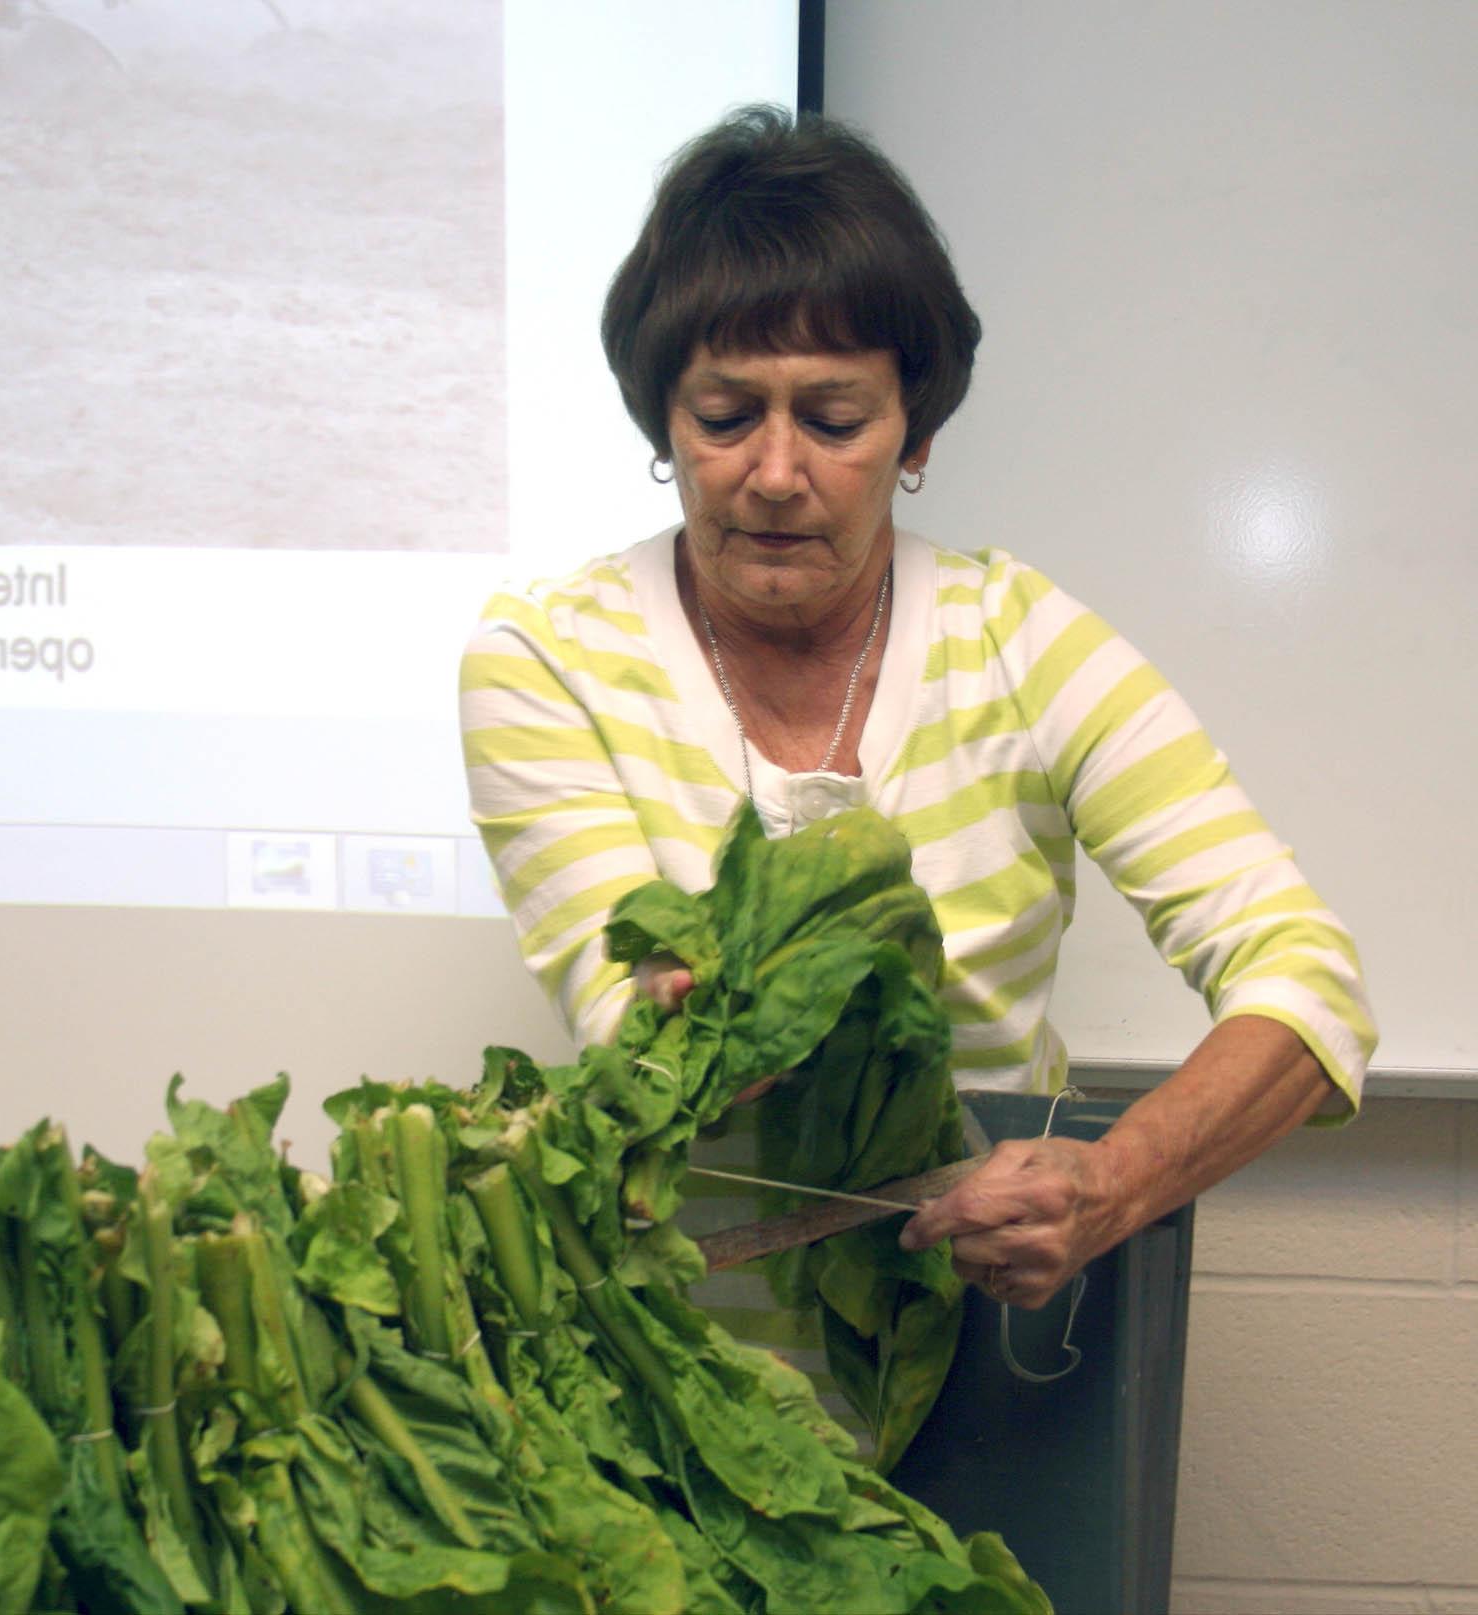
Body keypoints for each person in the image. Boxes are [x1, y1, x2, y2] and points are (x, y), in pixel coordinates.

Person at [458, 107, 1375, 1316]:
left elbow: (1308, 979)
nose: (776, 473)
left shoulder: (1021, 640)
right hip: (676, 1347)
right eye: (724, 416)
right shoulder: (544, 658)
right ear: (659, 421)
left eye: (835, 421)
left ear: (917, 433)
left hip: (994, 1311)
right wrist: (685, 1026)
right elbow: (633, 1023)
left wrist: (1114, 1180)